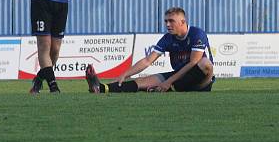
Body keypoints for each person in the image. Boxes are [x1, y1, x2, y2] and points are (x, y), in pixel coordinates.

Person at [86, 7, 214, 93]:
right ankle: (101, 88)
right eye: (166, 21)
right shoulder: (167, 38)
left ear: (182, 21)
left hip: (201, 82)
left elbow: (193, 63)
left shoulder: (197, 34)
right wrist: (125, 74)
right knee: (142, 82)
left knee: (204, 63)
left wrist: (168, 82)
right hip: (178, 77)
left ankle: (169, 87)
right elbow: (148, 60)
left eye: (171, 21)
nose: (167, 24)